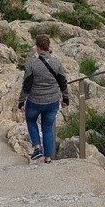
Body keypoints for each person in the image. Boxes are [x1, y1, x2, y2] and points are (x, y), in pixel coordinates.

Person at [18, 34, 69, 163]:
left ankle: (37, 147)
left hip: (35, 101)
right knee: (47, 128)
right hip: (52, 102)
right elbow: (63, 82)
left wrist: (21, 101)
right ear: (49, 46)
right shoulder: (56, 63)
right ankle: (48, 158)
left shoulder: (32, 64)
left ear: (37, 48)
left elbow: (27, 85)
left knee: (30, 121)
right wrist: (65, 99)